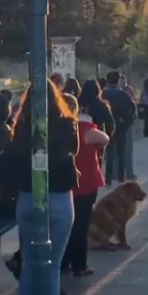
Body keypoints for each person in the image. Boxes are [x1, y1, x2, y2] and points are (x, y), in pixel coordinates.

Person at [0, 80, 79, 295]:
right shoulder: (67, 124)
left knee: (30, 263)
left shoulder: (19, 128)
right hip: (58, 199)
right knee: (52, 265)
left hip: (28, 199)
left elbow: (5, 159)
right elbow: (73, 151)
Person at [61, 94, 109, 277]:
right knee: (81, 224)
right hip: (86, 181)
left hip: (64, 183)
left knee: (64, 224)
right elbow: (104, 139)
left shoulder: (53, 128)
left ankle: (64, 261)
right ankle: (79, 265)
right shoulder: (83, 127)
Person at [102, 71, 137, 184]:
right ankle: (121, 178)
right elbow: (132, 110)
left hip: (107, 126)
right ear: (118, 81)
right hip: (121, 126)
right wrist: (127, 123)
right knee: (121, 152)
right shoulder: (124, 94)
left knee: (110, 153)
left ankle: (108, 179)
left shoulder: (103, 94)